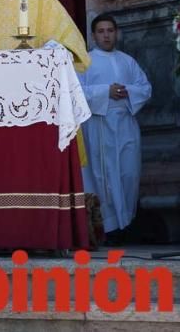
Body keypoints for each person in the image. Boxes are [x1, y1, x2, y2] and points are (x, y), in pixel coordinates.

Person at [78, 13, 152, 239]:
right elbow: (77, 92)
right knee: (104, 175)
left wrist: (127, 91)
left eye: (110, 30)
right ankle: (108, 228)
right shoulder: (85, 62)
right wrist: (105, 91)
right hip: (99, 123)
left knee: (128, 173)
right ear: (93, 36)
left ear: (116, 33)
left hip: (125, 122)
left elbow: (145, 87)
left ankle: (127, 222)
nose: (106, 35)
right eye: (101, 31)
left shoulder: (127, 60)